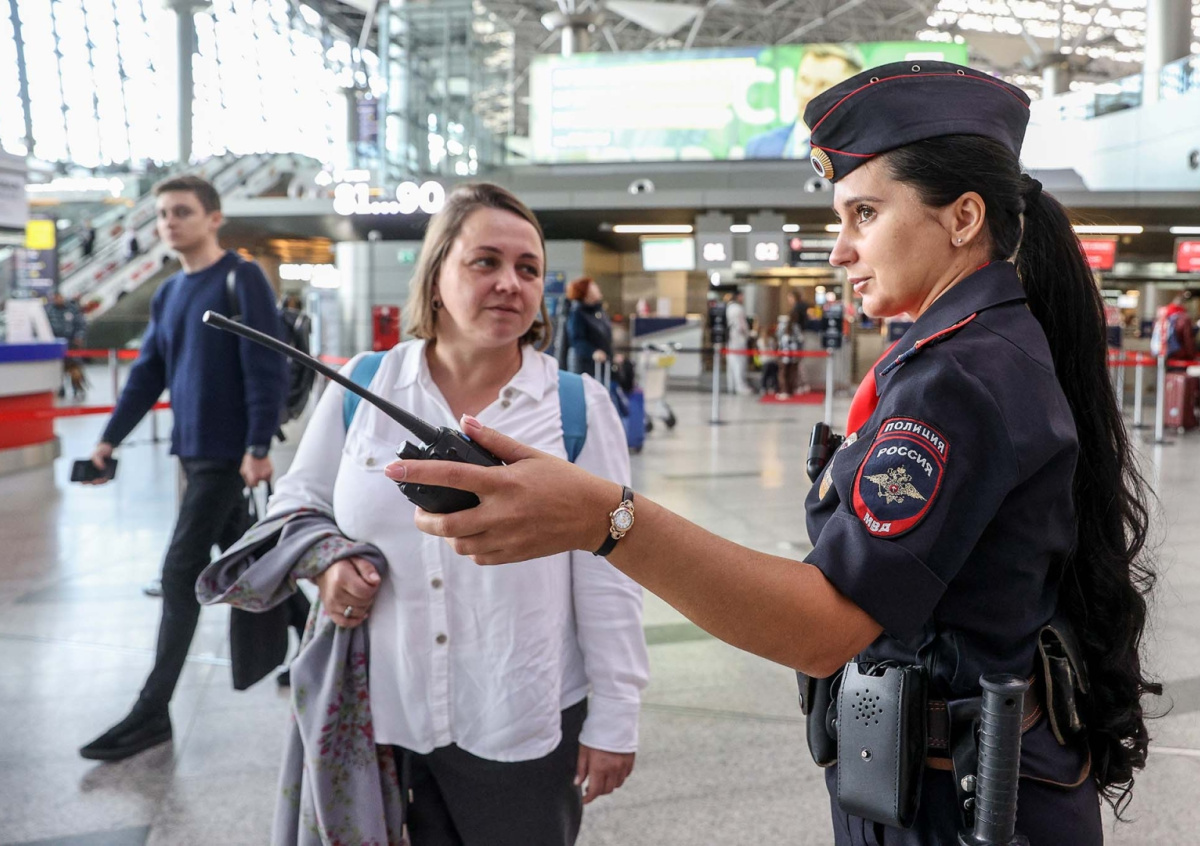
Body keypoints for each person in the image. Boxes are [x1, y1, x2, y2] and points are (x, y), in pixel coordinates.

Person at [389, 62, 1160, 845]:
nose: (840, 250)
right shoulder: (962, 352)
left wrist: (605, 519)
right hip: (942, 777)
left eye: (864, 214)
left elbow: (824, 627)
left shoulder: (959, 377)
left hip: (958, 805)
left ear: (964, 217)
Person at [268, 183, 648, 845]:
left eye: (528, 269)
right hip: (382, 717)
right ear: (436, 274)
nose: (510, 283)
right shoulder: (365, 387)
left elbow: (611, 563)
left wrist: (617, 716)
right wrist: (328, 566)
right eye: (485, 262)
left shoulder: (575, 407)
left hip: (519, 717)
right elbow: (297, 504)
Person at [79, 175, 286, 761]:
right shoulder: (170, 292)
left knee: (178, 574)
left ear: (213, 218)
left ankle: (152, 713)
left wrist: (257, 443)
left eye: (182, 211)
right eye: (163, 213)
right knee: (251, 560)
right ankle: (315, 634)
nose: (170, 222)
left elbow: (265, 364)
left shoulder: (240, 277)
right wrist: (109, 439)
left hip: (227, 455)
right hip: (192, 451)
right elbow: (149, 372)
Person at [744, 45, 862, 160]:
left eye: (823, 84)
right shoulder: (759, 148)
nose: (808, 93)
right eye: (804, 80)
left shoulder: (861, 152)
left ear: (851, 93)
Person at [565, 276, 614, 378]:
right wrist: (592, 352)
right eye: (593, 287)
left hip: (602, 367)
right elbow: (577, 340)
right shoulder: (577, 313)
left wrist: (612, 355)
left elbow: (605, 338)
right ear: (586, 293)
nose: (597, 288)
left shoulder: (599, 311)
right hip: (586, 368)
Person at [1150, 291, 1196, 371]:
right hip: (1180, 355)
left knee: (1167, 375)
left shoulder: (1163, 316)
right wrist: (1191, 355)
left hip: (1164, 354)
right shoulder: (1184, 318)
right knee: (1179, 375)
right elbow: (1188, 340)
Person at [724, 290, 751, 395]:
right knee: (739, 363)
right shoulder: (738, 309)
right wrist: (748, 334)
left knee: (731, 363)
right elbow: (742, 326)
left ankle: (731, 385)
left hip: (730, 338)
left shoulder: (728, 308)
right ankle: (740, 385)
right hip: (738, 338)